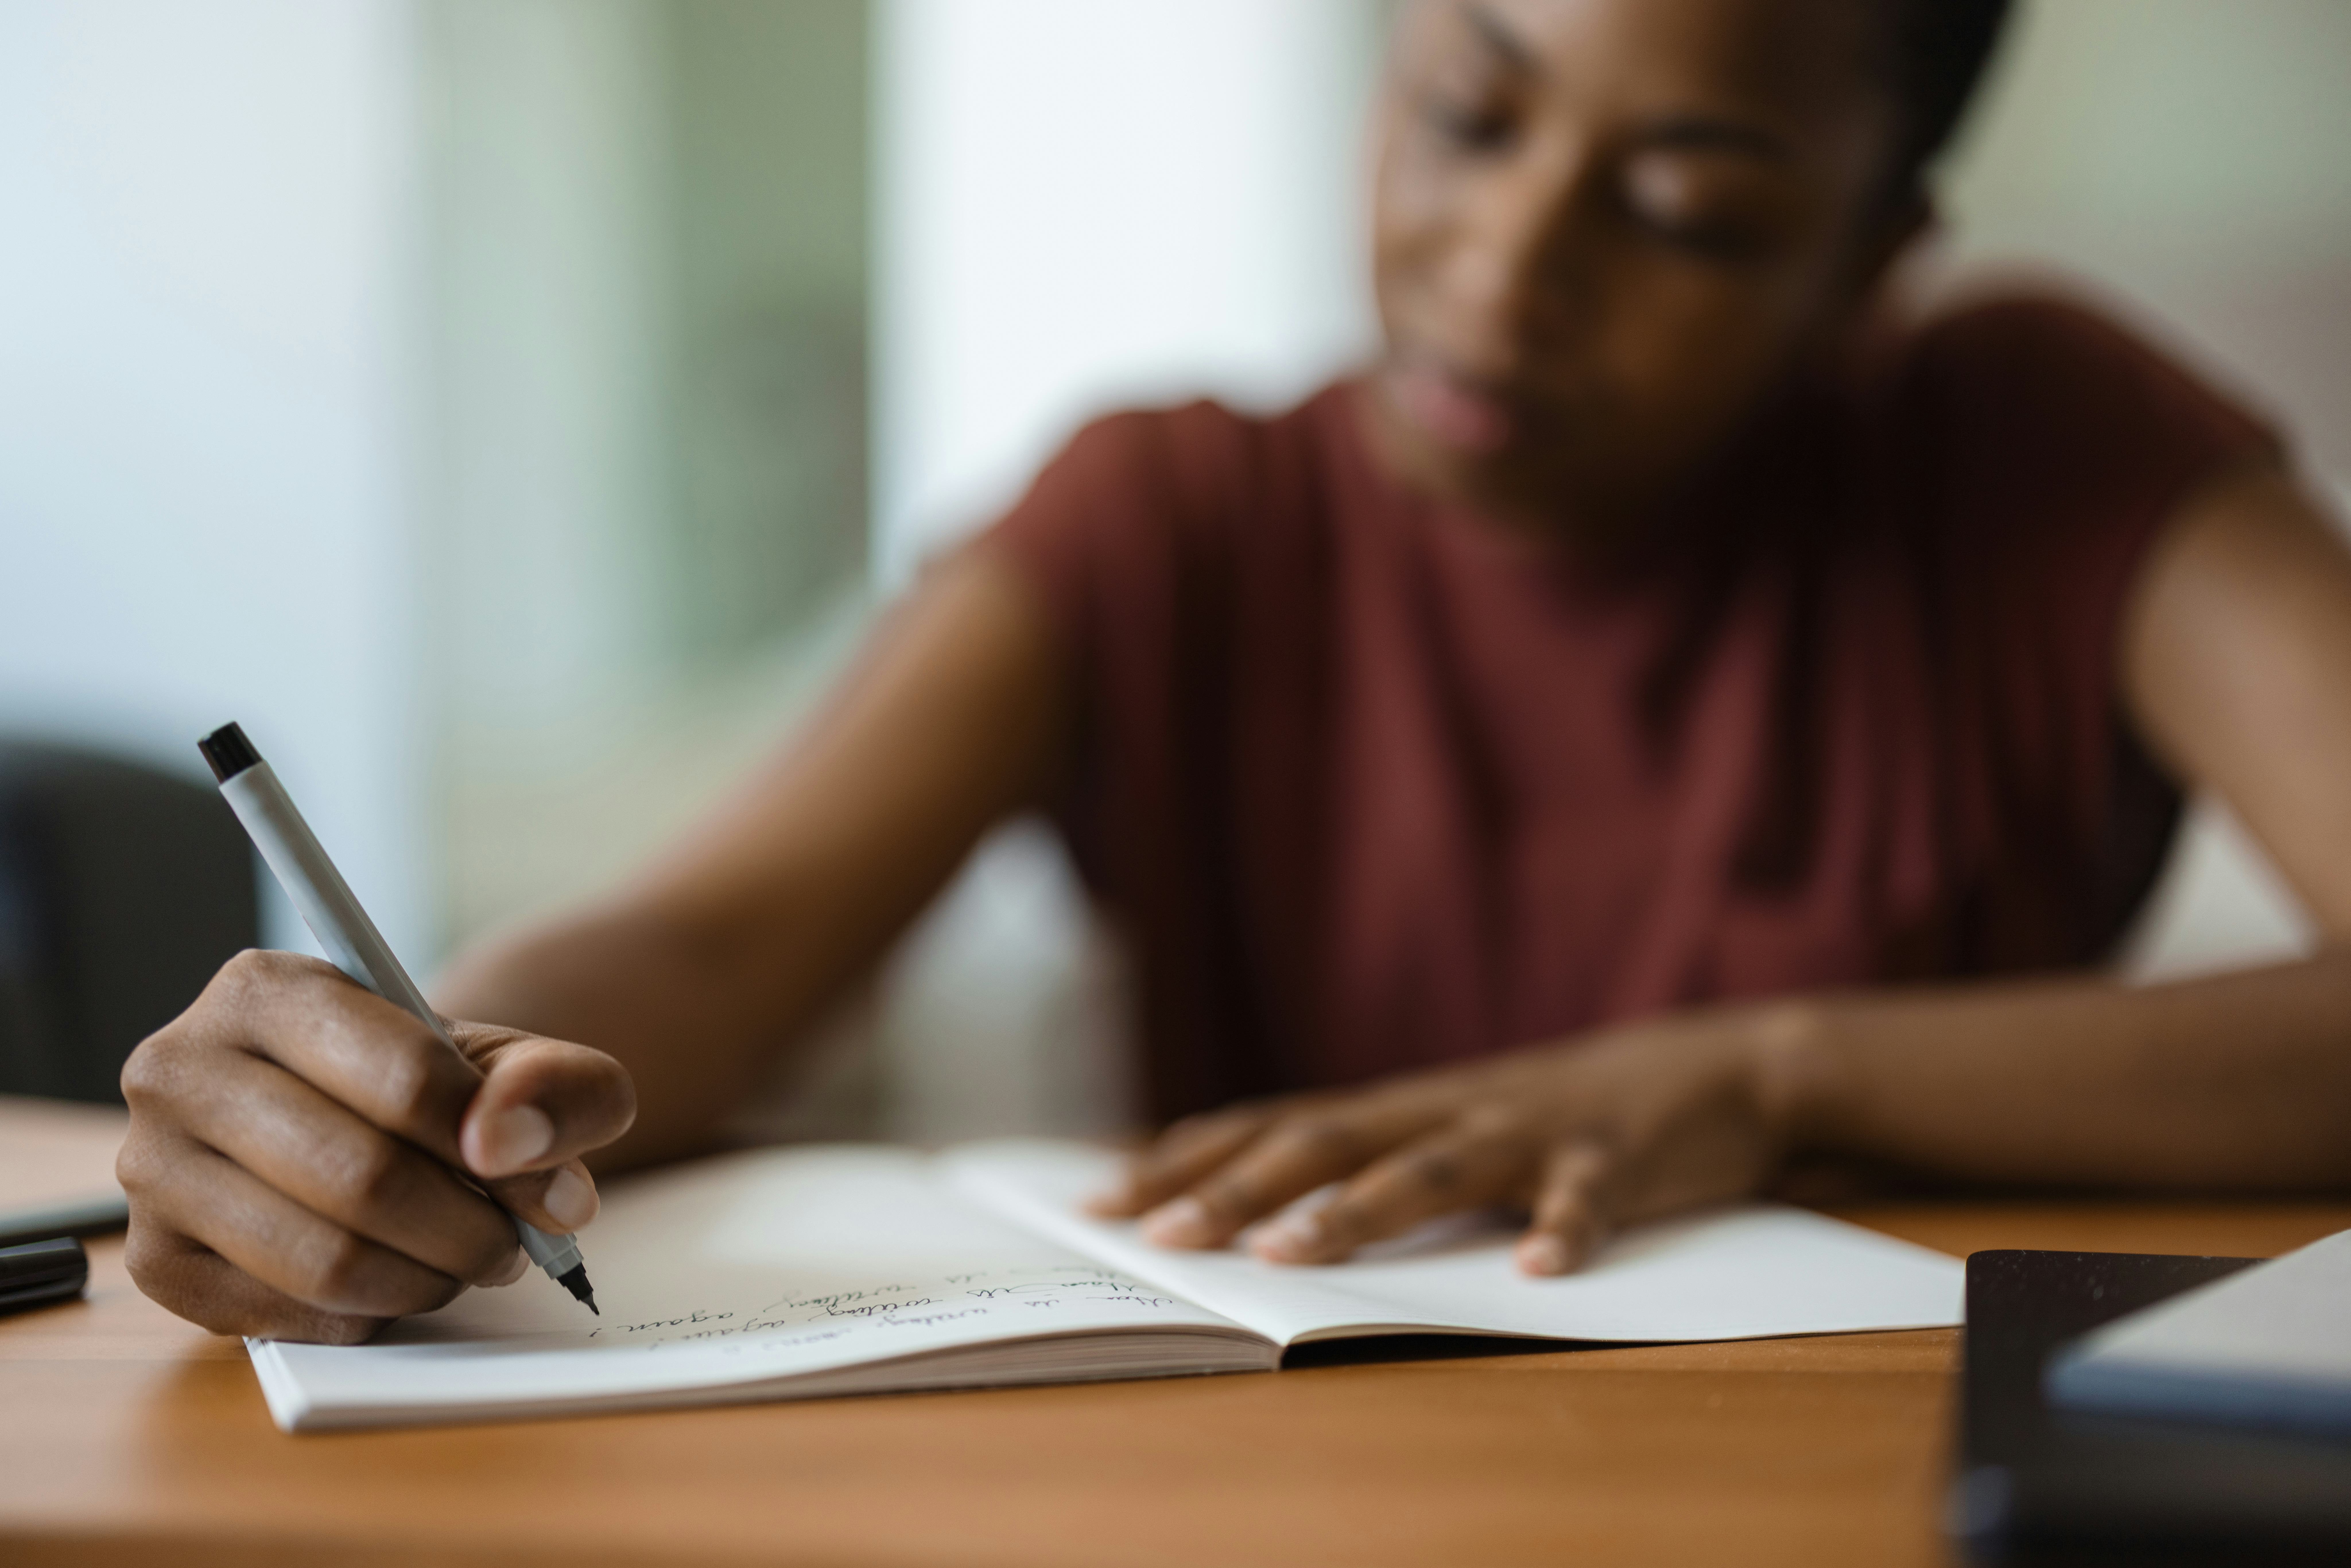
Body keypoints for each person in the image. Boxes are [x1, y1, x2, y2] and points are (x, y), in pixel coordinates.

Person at [118, 0, 2351, 1346]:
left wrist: (1757, 1073)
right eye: (1470, 111)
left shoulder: (2052, 453)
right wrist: (419, 1087)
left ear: (1872, 260)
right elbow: (715, 932)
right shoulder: (1173, 511)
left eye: (1683, 210)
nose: (1503, 266)